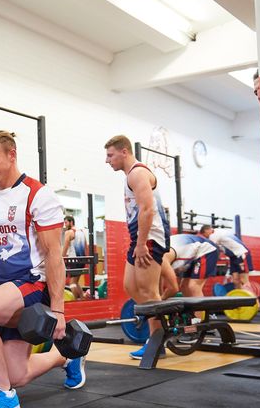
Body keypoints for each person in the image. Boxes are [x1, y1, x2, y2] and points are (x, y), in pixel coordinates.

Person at [0, 130, 84, 408]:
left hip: (32, 285)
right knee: (16, 374)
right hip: (5, 292)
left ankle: (3, 396)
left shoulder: (37, 195)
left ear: (11, 155)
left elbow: (54, 255)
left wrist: (58, 310)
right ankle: (66, 357)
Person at [105, 134, 171, 360]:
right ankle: (158, 330)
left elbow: (147, 210)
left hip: (150, 238)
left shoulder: (138, 173)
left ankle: (157, 342)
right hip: (139, 239)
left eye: (110, 155)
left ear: (124, 151)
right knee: (131, 286)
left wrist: (142, 243)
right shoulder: (131, 176)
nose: (107, 160)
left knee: (148, 291)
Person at [162, 234, 219, 311]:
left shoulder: (161, 260)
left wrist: (160, 302)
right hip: (188, 253)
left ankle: (199, 319)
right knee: (184, 286)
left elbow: (173, 288)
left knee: (193, 286)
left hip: (206, 249)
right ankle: (192, 315)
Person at [198, 225, 252, 289]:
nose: (206, 237)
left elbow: (210, 249)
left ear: (207, 230)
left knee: (244, 280)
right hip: (233, 256)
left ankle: (251, 298)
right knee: (235, 280)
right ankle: (239, 298)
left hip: (241, 253)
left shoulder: (214, 235)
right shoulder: (219, 231)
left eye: (205, 235)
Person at [62, 215, 90, 300]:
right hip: (82, 260)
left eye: (66, 222)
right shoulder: (81, 232)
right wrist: (87, 260)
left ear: (71, 222)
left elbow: (65, 247)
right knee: (76, 282)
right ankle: (82, 299)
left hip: (74, 260)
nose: (65, 225)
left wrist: (61, 259)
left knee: (72, 283)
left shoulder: (69, 232)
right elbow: (86, 247)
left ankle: (75, 302)